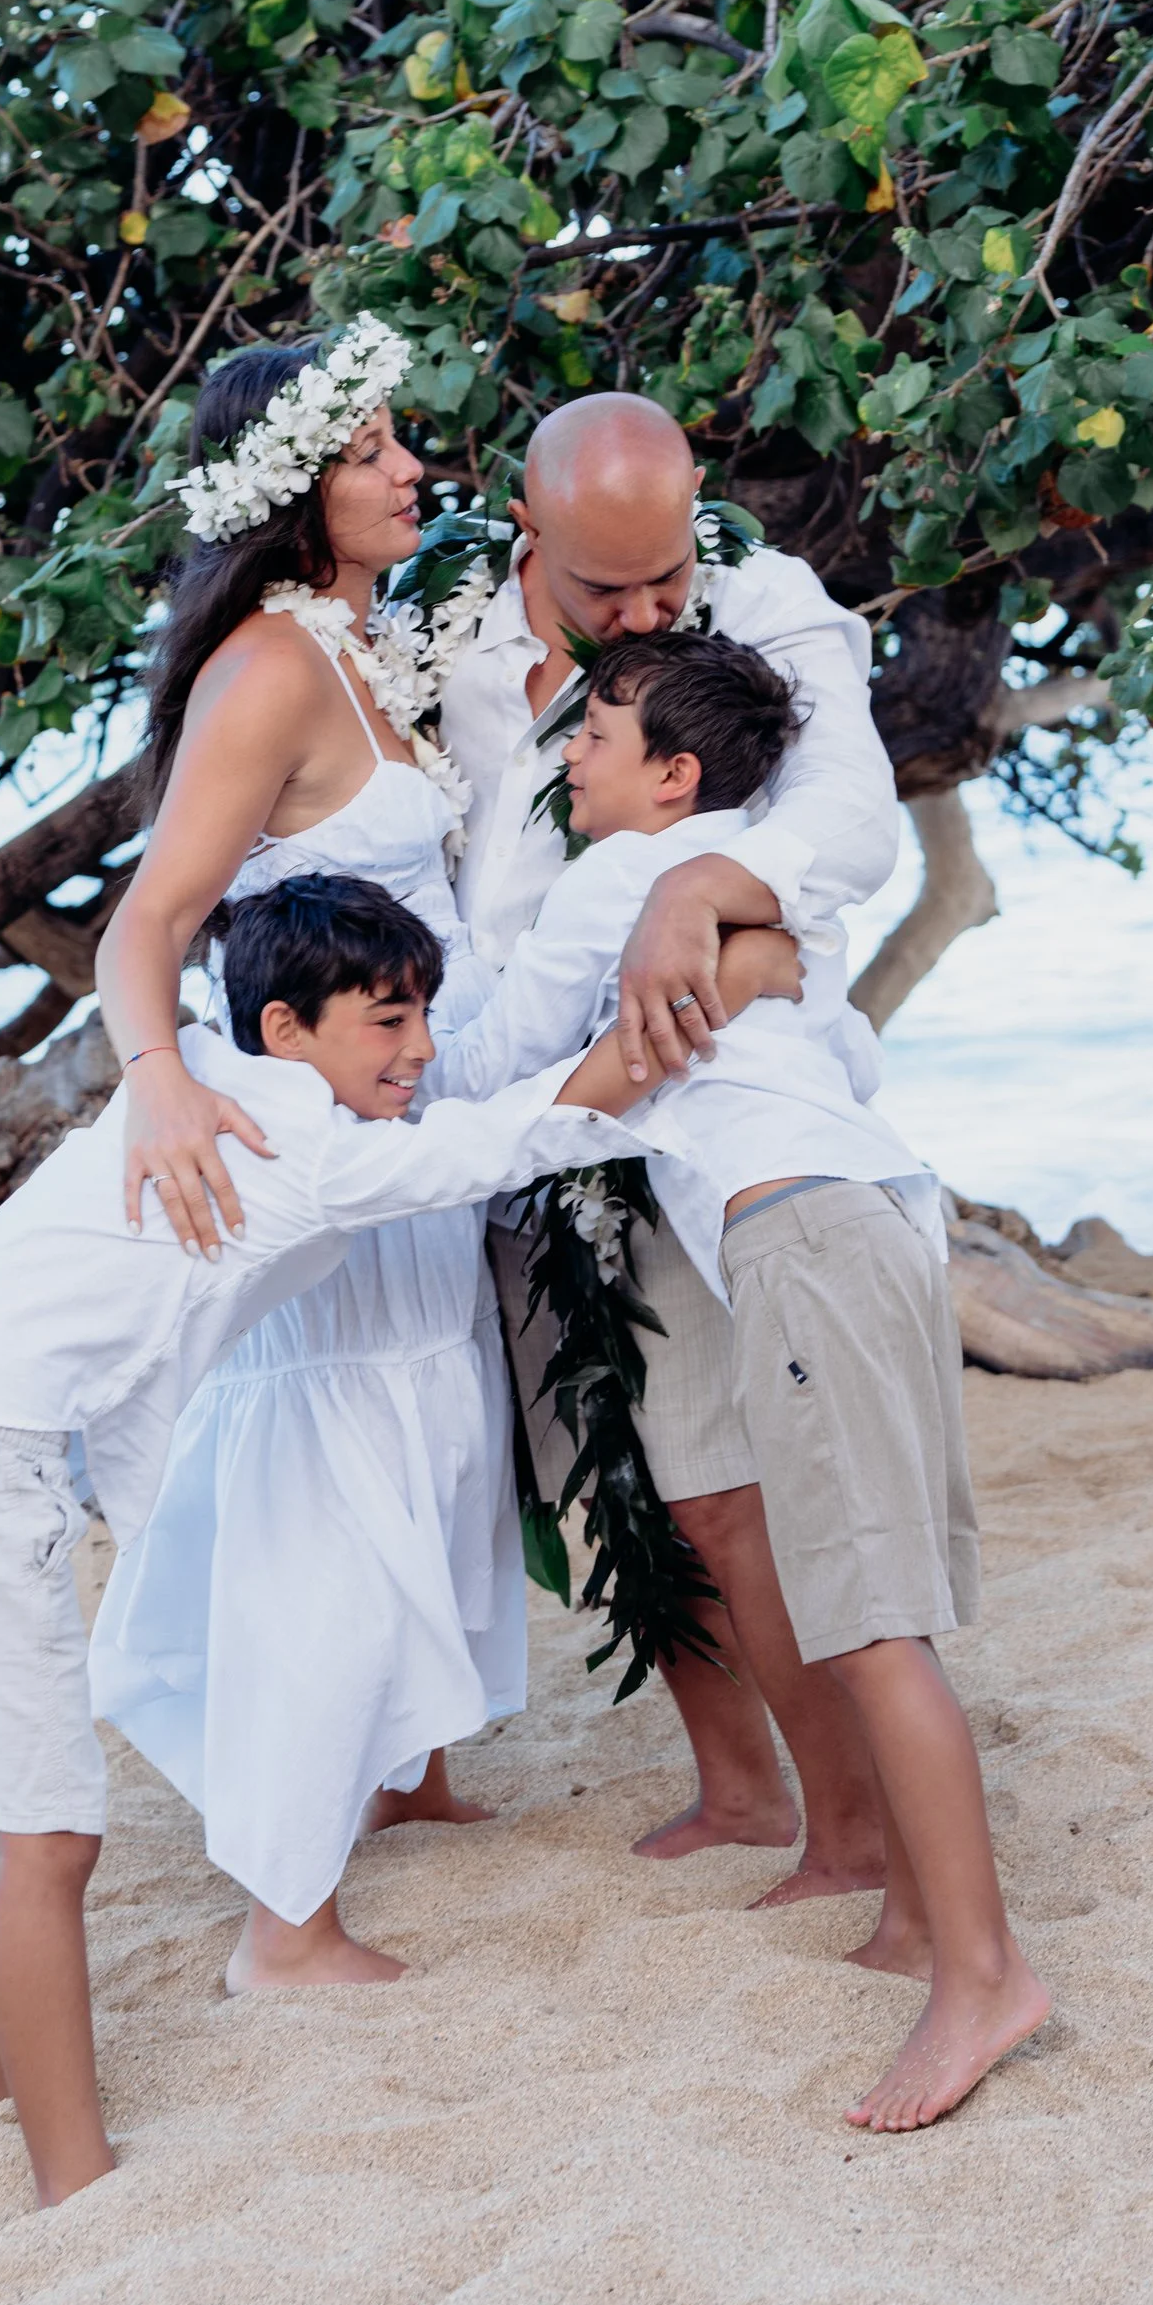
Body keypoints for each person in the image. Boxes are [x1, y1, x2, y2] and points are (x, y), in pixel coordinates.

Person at [0, 874, 798, 2203]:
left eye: (424, 1015)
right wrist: (708, 993)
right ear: (286, 1027)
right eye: (387, 1019)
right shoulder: (302, 1151)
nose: (418, 1049)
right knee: (47, 1835)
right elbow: (523, 1137)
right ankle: (75, 2183)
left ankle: (9, 2085)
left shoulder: (202, 1096)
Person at [439, 631, 1049, 2130]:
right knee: (867, 1604)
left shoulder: (621, 885)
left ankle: (981, 1974)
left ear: (675, 774)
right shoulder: (766, 875)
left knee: (870, 1620)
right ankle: (914, 1916)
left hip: (798, 1233)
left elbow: (494, 1070)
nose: (569, 754)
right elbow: (834, 1045)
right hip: (874, 1210)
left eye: (599, 734)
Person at [88, 318, 523, 1991]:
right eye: (368, 451)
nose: (412, 467)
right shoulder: (268, 670)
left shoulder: (370, 644)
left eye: (405, 437)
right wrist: (159, 1081)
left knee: (433, 1427)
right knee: (334, 1475)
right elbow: (152, 924)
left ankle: (406, 1775)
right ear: (289, 495)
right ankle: (287, 1918)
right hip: (328, 1124)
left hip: (408, 1099)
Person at [429, 392, 904, 1881]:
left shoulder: (762, 601)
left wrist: (687, 891)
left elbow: (856, 824)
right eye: (604, 589)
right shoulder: (443, 638)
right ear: (527, 523)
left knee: (717, 1483)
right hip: (511, 1104)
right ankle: (736, 1782)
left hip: (673, 1078)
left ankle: (847, 1815)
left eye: (663, 580)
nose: (645, 609)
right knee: (603, 1467)